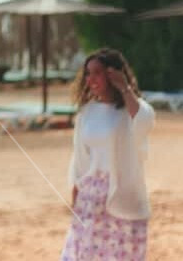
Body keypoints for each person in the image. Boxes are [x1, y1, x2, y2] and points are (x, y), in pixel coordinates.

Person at [60, 48, 155, 261]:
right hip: (91, 197)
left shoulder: (131, 109)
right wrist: (76, 196)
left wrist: (125, 88)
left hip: (124, 194)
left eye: (97, 73)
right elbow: (80, 158)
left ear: (113, 74)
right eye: (88, 73)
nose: (91, 79)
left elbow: (145, 121)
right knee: (84, 253)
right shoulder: (86, 113)